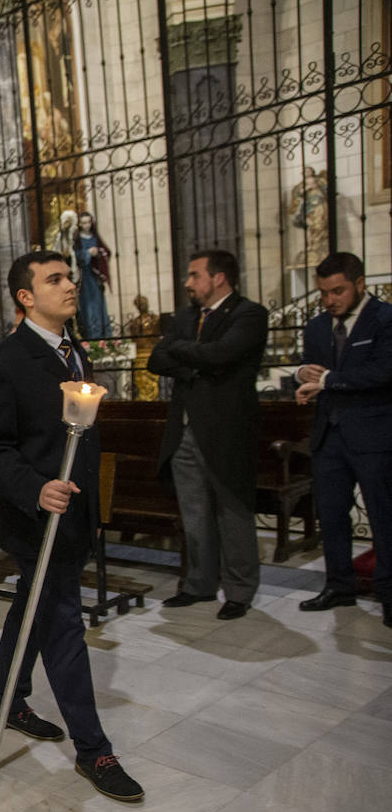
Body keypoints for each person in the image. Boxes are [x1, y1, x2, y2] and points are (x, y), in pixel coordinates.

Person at [0, 249, 144, 803]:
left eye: (70, 276)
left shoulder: (75, 353)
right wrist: (33, 488)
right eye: (56, 279)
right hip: (33, 519)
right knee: (65, 624)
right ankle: (94, 751)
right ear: (26, 296)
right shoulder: (3, 363)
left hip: (76, 517)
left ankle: (8, 702)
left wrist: (90, 510)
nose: (71, 285)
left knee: (33, 606)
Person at [148, 249, 269, 620]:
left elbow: (224, 354)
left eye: (194, 275)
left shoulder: (249, 314)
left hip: (226, 430)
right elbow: (157, 360)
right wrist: (195, 363)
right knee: (194, 512)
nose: (188, 283)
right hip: (184, 430)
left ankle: (239, 590)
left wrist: (183, 355)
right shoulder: (185, 317)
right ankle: (199, 584)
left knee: (232, 511)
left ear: (218, 278)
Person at [294, 252, 392, 627]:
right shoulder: (317, 326)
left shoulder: (384, 319)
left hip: (374, 436)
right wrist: (304, 374)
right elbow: (309, 368)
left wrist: (327, 381)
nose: (330, 300)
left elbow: (383, 371)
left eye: (338, 291)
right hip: (329, 436)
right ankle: (339, 586)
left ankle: (388, 594)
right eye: (324, 293)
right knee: (332, 517)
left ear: (360, 284)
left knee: (383, 518)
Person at [74, 211, 112, 339]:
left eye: (89, 222)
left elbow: (107, 252)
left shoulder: (95, 238)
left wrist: (98, 253)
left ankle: (104, 336)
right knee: (88, 306)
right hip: (84, 277)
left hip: (95, 276)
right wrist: (87, 253)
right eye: (84, 223)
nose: (87, 225)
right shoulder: (77, 239)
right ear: (79, 224)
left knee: (99, 305)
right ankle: (92, 337)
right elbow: (75, 258)